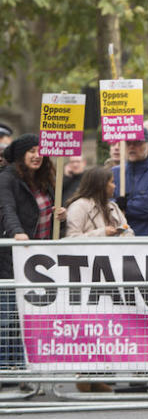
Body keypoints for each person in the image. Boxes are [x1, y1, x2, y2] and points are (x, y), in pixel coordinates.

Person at [0, 134, 66, 369]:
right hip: (12, 258)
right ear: (20, 154)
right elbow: (6, 208)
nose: (38, 155)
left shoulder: (44, 181)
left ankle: (22, 367)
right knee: (8, 317)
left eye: (41, 150)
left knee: (31, 317)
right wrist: (16, 232)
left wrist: (61, 216)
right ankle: (6, 368)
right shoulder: (7, 179)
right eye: (32, 150)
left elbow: (50, 216)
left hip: (39, 262)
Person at [113, 129, 148, 236]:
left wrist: (123, 206)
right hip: (118, 239)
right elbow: (105, 205)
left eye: (138, 143)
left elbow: (147, 208)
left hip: (147, 238)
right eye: (128, 143)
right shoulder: (114, 173)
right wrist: (117, 206)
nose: (132, 147)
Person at [65, 166, 132, 238]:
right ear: (101, 185)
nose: (114, 186)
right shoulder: (78, 207)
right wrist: (103, 233)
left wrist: (123, 235)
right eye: (112, 182)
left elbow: (128, 230)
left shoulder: (113, 206)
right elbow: (71, 238)